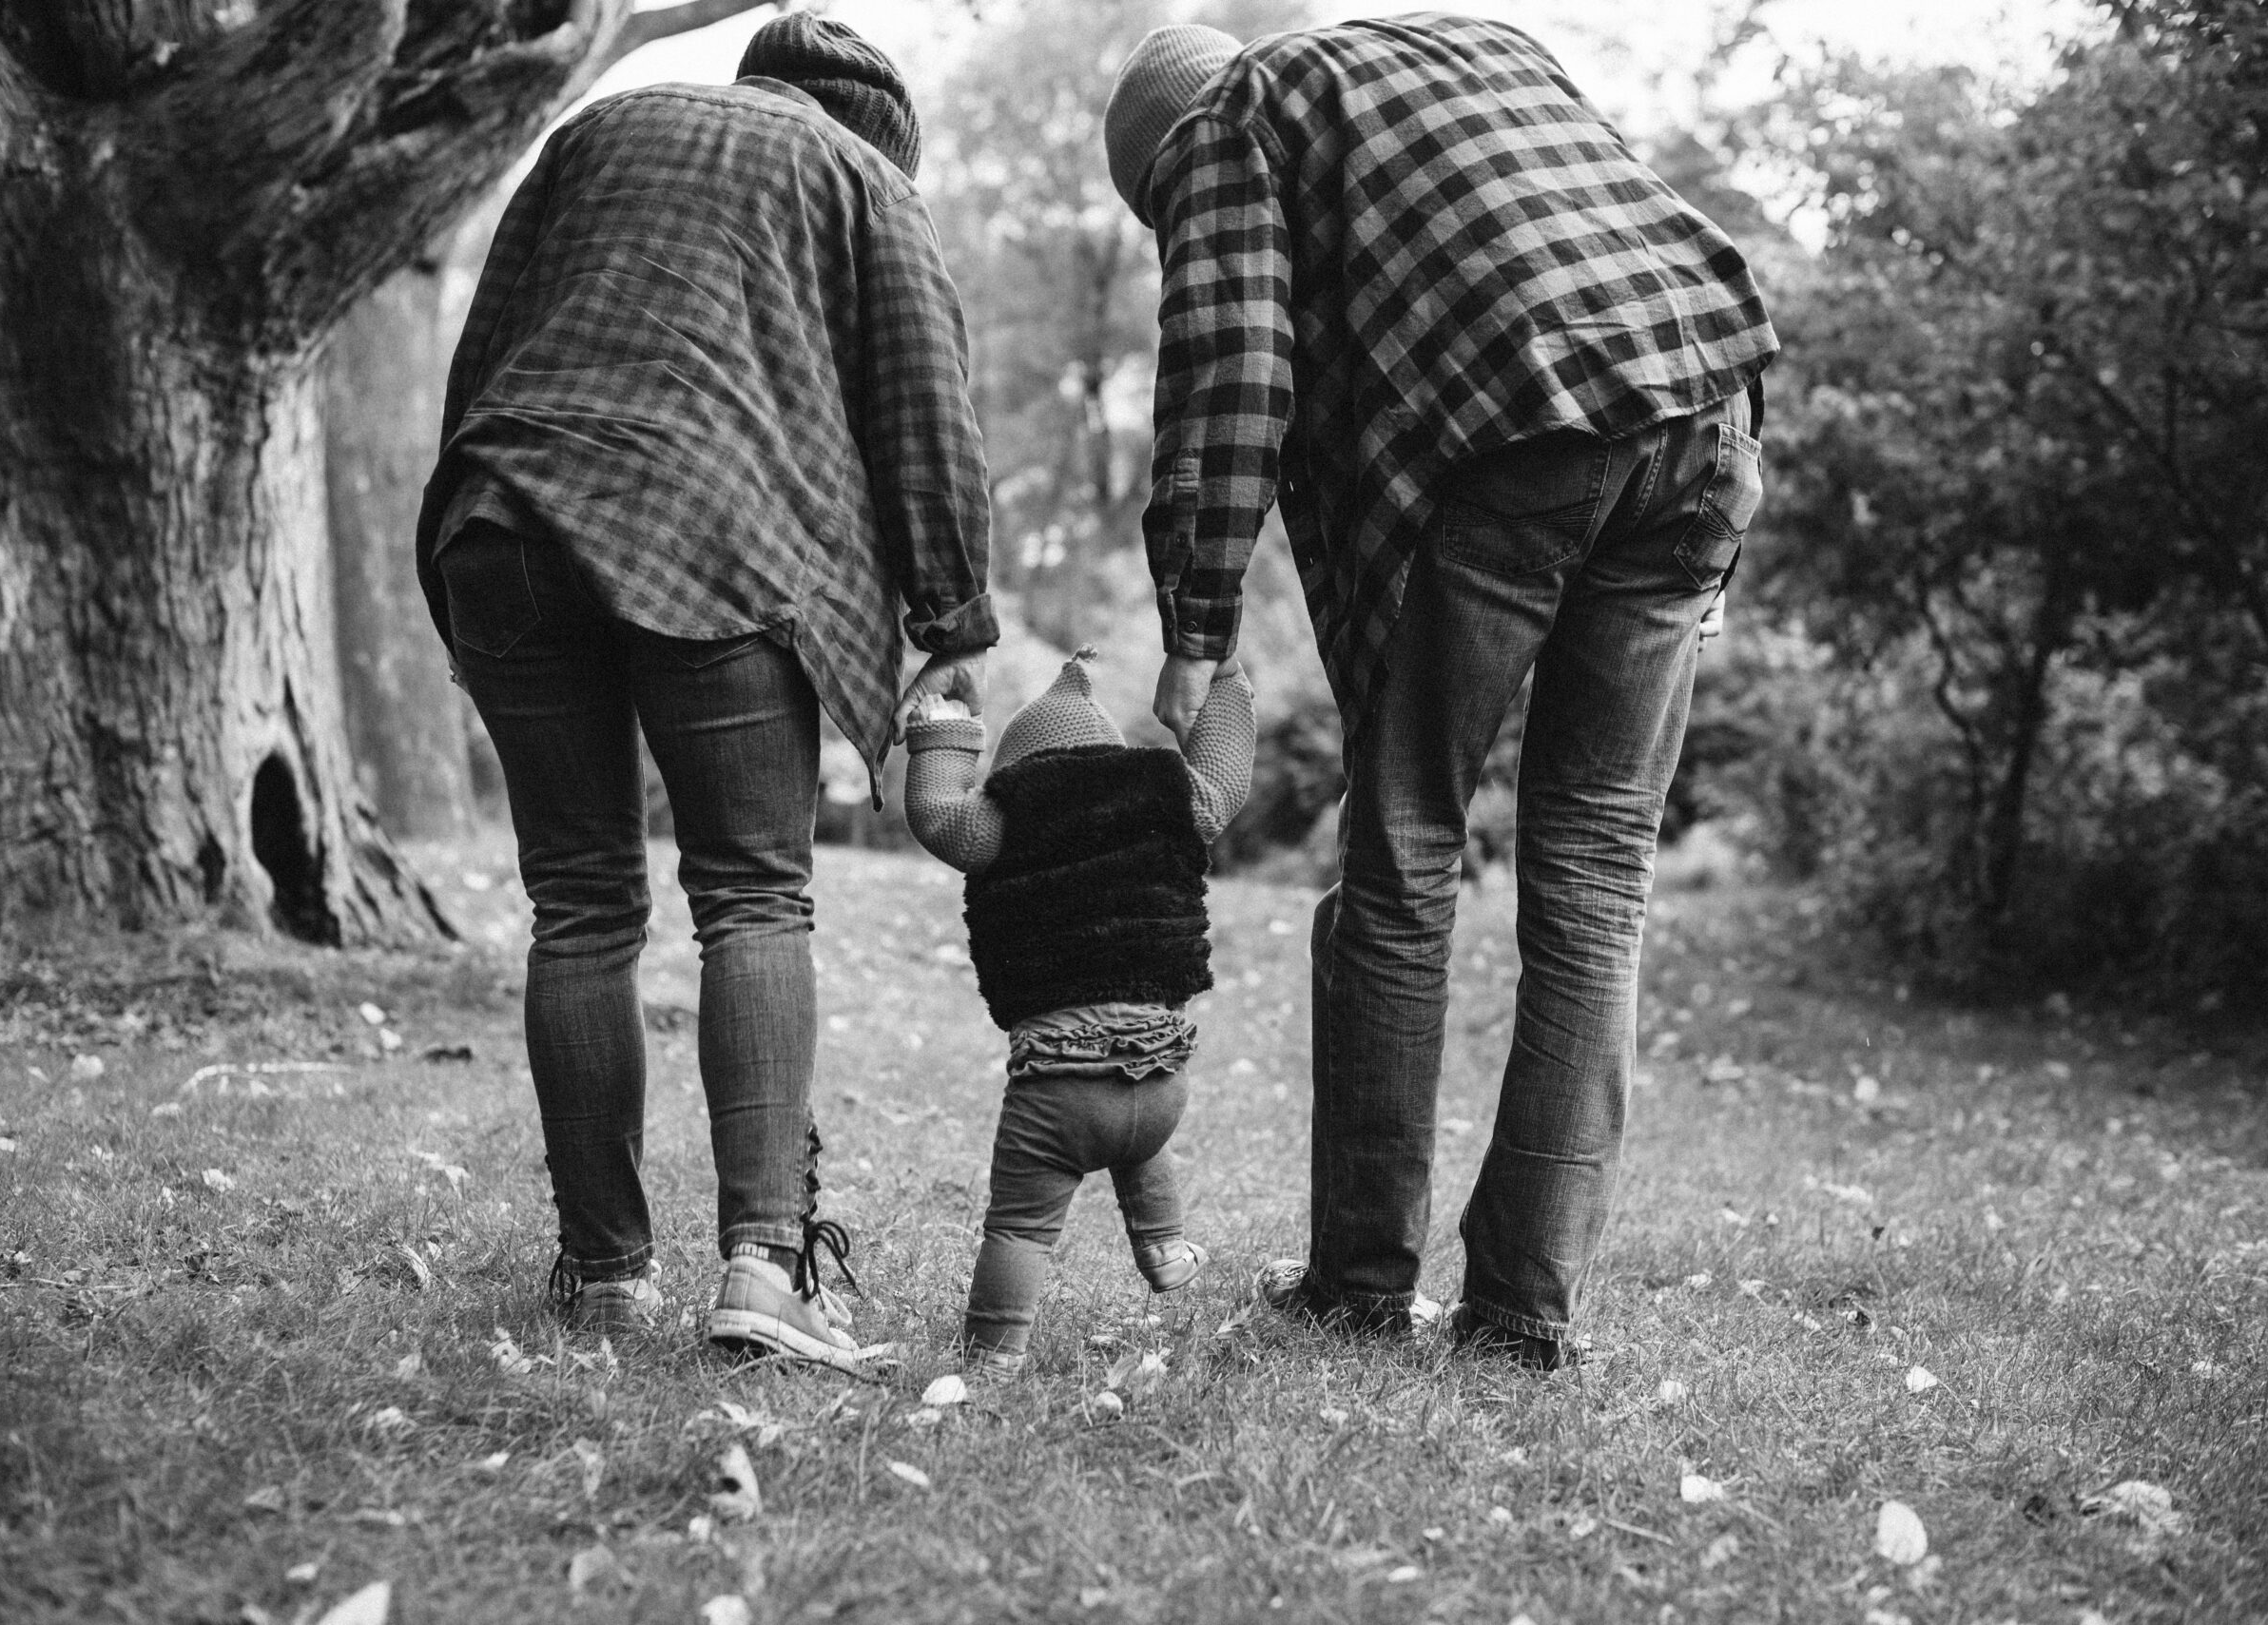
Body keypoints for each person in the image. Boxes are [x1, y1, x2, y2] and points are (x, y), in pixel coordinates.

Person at [1102, 12, 1777, 1365]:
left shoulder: (1229, 119)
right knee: (1594, 876)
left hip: (1523, 433)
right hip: (1705, 408)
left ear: (1166, 154)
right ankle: (1523, 1310)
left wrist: (1195, 627)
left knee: (1404, 854)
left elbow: (1232, 371)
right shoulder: (1477, 43)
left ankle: (1359, 1279)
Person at [414, 14, 995, 1365]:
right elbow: (925, 411)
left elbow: (485, 356)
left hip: (506, 518)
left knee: (580, 903)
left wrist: (465, 576)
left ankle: (604, 1277)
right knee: (752, 893)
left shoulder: (600, 133)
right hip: (716, 533)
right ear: (881, 136)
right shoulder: (862, 184)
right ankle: (764, 1269)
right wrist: (953, 627)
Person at [901, 650, 1254, 1377]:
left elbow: (935, 812)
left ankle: (995, 1354)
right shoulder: (1165, 795)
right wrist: (1225, 677)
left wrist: (947, 720)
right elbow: (1226, 780)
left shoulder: (998, 819)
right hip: (1160, 1085)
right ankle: (1163, 1245)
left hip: (1056, 1094)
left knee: (1021, 1228)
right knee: (1134, 1107)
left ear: (1017, 766)